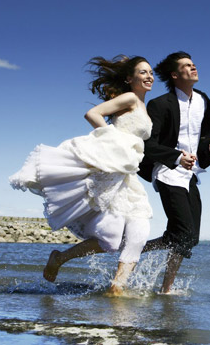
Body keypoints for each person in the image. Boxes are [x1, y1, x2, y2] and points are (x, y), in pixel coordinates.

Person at [9, 55, 154, 296]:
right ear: (130, 79)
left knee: (139, 232)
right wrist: (113, 140)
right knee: (110, 239)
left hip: (126, 176)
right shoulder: (129, 98)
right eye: (142, 72)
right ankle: (60, 258)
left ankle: (117, 287)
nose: (149, 76)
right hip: (110, 168)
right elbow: (93, 114)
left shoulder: (143, 107)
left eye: (150, 72)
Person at [138, 51, 210, 294]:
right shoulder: (160, 105)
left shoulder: (203, 100)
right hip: (167, 171)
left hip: (190, 174)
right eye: (186, 65)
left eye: (193, 64)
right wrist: (176, 157)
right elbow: (148, 144)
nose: (193, 67)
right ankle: (133, 249)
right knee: (182, 233)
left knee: (190, 238)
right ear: (175, 75)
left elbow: (204, 136)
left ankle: (166, 288)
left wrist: (209, 151)